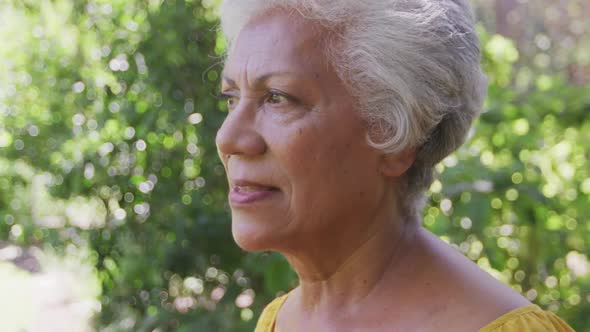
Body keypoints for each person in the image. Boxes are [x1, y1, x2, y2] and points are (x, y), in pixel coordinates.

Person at [215, 0, 575, 331]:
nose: (228, 139)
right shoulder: (277, 322)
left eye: (277, 98)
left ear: (396, 136)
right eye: (232, 98)